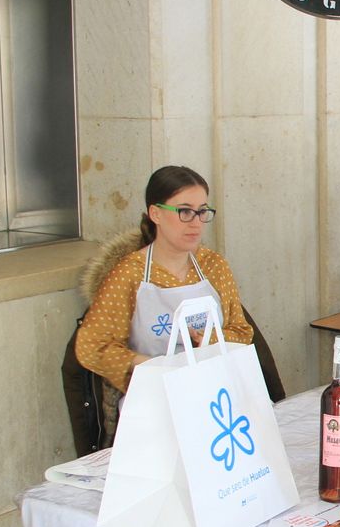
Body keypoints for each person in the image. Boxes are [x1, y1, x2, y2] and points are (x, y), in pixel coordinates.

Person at [75, 165, 253, 393]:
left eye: (202, 211)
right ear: (155, 213)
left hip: (215, 391)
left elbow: (242, 331)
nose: (196, 223)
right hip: (155, 396)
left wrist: (209, 340)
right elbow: (92, 345)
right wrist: (148, 366)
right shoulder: (130, 274)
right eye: (185, 212)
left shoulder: (214, 266)